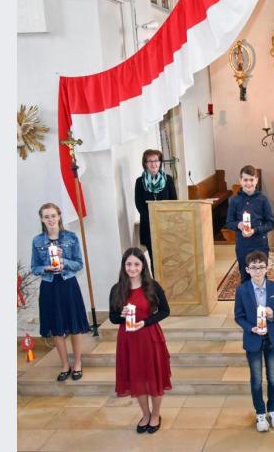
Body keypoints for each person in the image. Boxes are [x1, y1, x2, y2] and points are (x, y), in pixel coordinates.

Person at [108, 247, 172, 434]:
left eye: (136, 264)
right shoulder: (117, 289)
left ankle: (156, 414)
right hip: (128, 340)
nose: (132, 268)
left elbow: (165, 311)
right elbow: (112, 318)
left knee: (154, 376)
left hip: (149, 336)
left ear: (143, 266)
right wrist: (122, 316)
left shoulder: (152, 286)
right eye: (128, 264)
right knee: (137, 377)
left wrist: (143, 322)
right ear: (123, 266)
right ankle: (145, 413)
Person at [30, 203, 91, 382]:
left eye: (53, 216)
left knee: (74, 325)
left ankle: (77, 362)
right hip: (49, 286)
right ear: (41, 219)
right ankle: (65, 365)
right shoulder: (37, 241)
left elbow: (79, 263)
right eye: (46, 217)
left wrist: (64, 262)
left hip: (68, 284)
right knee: (56, 327)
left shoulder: (71, 238)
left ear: (59, 216)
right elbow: (34, 267)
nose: (50, 220)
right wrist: (46, 268)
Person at [234, 250, 274, 432]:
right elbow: (238, 316)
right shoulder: (242, 290)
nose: (257, 271)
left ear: (267, 268)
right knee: (256, 380)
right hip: (253, 339)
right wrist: (251, 328)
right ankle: (260, 414)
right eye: (253, 268)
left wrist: (273, 315)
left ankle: (273, 410)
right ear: (247, 270)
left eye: (261, 267)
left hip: (271, 338)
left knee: (273, 378)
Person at [226, 165, 274, 282]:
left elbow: (271, 223)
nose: (249, 183)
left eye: (251, 180)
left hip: (260, 244)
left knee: (260, 277)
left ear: (256, 180)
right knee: (245, 276)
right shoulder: (234, 200)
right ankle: (248, 299)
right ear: (240, 181)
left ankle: (262, 300)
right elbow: (229, 222)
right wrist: (238, 225)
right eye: (245, 180)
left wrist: (255, 230)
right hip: (243, 245)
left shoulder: (263, 199)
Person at [134, 149, 177, 275]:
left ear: (160, 162)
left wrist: (165, 220)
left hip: (167, 226)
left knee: (169, 258)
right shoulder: (139, 182)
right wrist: (153, 220)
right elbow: (139, 205)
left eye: (156, 160)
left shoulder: (168, 179)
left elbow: (173, 201)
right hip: (149, 227)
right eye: (150, 161)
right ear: (145, 163)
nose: (154, 164)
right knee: (155, 259)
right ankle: (157, 288)